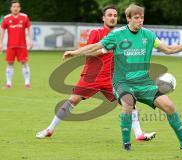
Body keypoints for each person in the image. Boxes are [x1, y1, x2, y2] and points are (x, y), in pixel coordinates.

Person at [62, 4, 182, 151]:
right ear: (128, 19)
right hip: (122, 82)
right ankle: (126, 144)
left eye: (142, 18)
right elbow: (95, 47)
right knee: (128, 103)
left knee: (169, 106)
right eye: (136, 18)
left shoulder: (148, 35)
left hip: (144, 82)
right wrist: (74, 52)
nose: (140, 21)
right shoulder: (117, 35)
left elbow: (168, 49)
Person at [36, 5, 156, 141]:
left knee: (129, 102)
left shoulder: (121, 34)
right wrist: (105, 50)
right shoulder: (96, 33)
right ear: (103, 18)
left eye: (115, 16)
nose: (112, 18)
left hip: (111, 78)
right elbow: (89, 51)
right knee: (72, 101)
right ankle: (49, 129)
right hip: (91, 76)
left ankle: (139, 134)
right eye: (109, 15)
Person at [0, 0, 33, 89]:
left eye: (17, 7)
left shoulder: (24, 17)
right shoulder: (6, 18)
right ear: (11, 8)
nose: (15, 8)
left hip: (22, 45)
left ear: (20, 8)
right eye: (14, 7)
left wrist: (31, 40)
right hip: (10, 45)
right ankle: (8, 84)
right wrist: (0, 43)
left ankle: (27, 83)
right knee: (10, 63)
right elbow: (2, 30)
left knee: (24, 62)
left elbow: (29, 28)